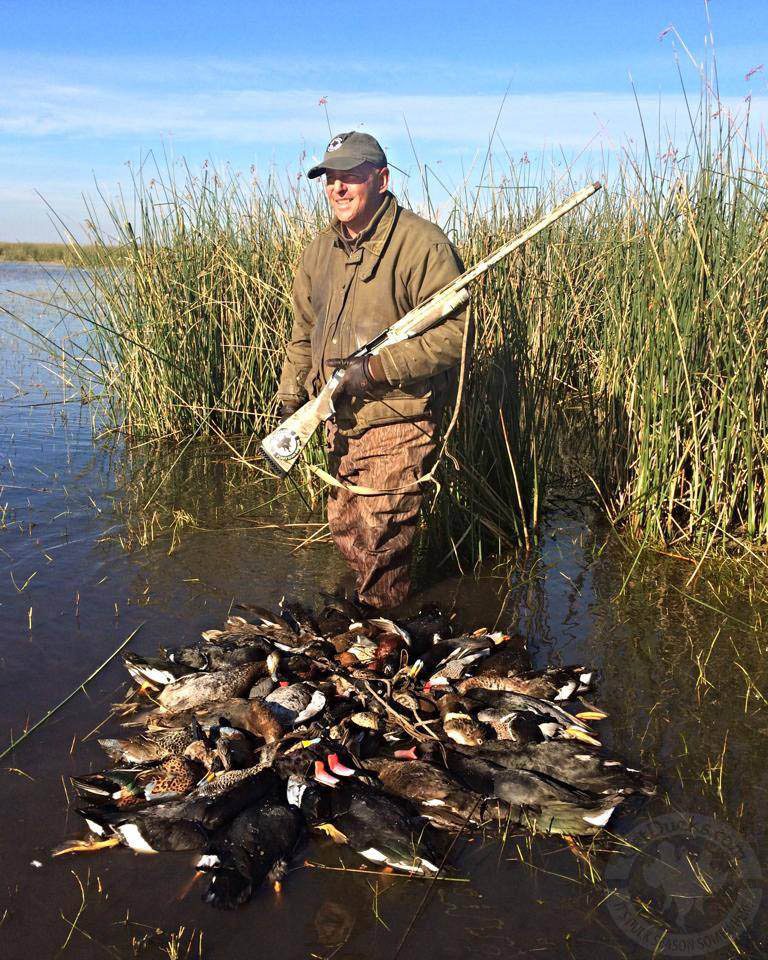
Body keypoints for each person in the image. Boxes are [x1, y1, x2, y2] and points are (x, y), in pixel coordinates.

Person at [276, 131, 468, 610]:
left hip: (396, 417)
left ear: (381, 180)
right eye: (330, 179)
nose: (338, 189)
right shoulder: (320, 250)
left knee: (384, 537)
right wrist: (290, 396)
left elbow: (457, 336)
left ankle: (383, 635)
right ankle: (366, 626)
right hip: (333, 419)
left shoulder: (422, 244)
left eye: (352, 177)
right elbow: (303, 328)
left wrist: (377, 368)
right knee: (347, 525)